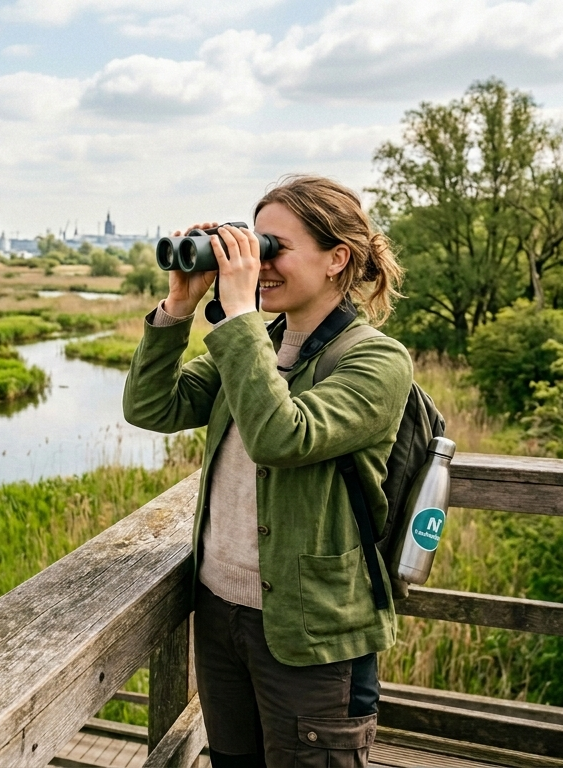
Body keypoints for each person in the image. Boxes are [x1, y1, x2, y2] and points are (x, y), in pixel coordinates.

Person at [122, 176, 409, 768]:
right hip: (220, 610)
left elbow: (284, 436)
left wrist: (236, 316)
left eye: (273, 248)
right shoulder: (259, 343)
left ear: (337, 259)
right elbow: (153, 407)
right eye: (255, 246)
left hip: (310, 633)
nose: (261, 264)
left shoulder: (375, 359)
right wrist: (180, 302)